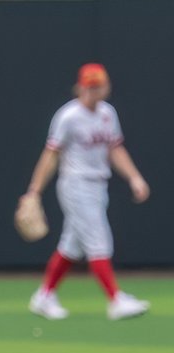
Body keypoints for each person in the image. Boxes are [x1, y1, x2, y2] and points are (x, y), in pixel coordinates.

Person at [22, 62, 151, 321]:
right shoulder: (68, 117)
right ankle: (115, 299)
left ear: (106, 86)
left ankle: (44, 296)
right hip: (75, 184)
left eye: (98, 86)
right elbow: (51, 154)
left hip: (98, 185)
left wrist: (134, 177)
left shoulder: (108, 114)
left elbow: (116, 149)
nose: (94, 91)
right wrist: (34, 191)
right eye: (90, 86)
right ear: (80, 87)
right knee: (99, 241)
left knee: (72, 246)